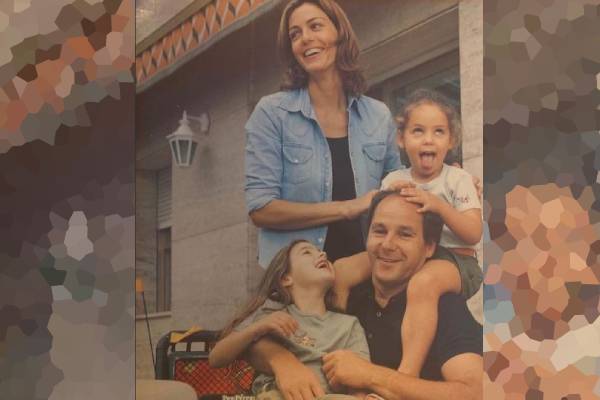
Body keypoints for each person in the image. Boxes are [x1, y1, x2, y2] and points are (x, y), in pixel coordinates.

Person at [245, 191, 483, 400]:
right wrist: (282, 362)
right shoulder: (340, 291)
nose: (387, 244)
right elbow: (255, 333)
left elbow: (476, 393)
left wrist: (371, 375)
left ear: (429, 247)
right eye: (379, 231)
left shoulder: (442, 307)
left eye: (404, 234)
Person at [334, 88, 483, 378]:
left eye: (439, 132)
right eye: (418, 131)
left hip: (455, 260)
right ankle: (338, 338)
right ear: (401, 139)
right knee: (343, 269)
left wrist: (439, 206)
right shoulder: (394, 178)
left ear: (451, 140)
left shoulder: (458, 179)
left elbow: (474, 233)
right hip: (413, 251)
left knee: (422, 285)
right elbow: (381, 215)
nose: (428, 139)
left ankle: (407, 372)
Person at [244, 0, 402, 267]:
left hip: (365, 274)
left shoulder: (378, 115)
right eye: (295, 34)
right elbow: (261, 209)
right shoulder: (272, 113)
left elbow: (397, 189)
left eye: (315, 26)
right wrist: (347, 207)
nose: (305, 38)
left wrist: (448, 181)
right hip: (296, 279)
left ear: (340, 33)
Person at [209, 239, 370, 399]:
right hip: (276, 394)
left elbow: (360, 381)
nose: (323, 254)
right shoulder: (270, 315)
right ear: (286, 278)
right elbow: (216, 357)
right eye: (307, 252)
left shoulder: (349, 324)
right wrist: (257, 328)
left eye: (321, 251)